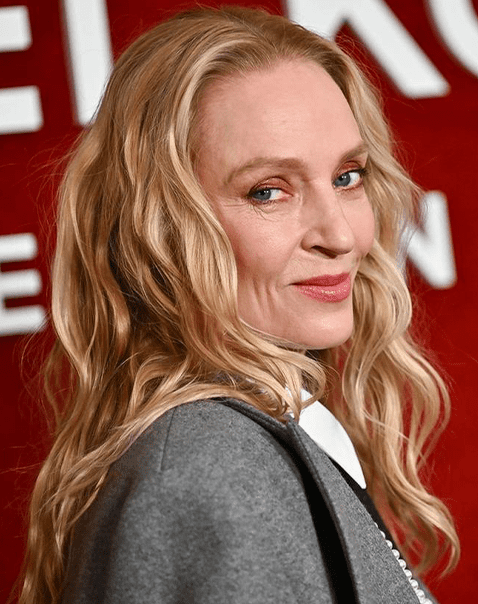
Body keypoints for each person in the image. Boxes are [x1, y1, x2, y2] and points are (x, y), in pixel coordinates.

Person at [16, 6, 459, 603]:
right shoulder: (207, 477)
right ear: (160, 228)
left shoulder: (252, 441)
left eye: (347, 177)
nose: (341, 235)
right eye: (268, 191)